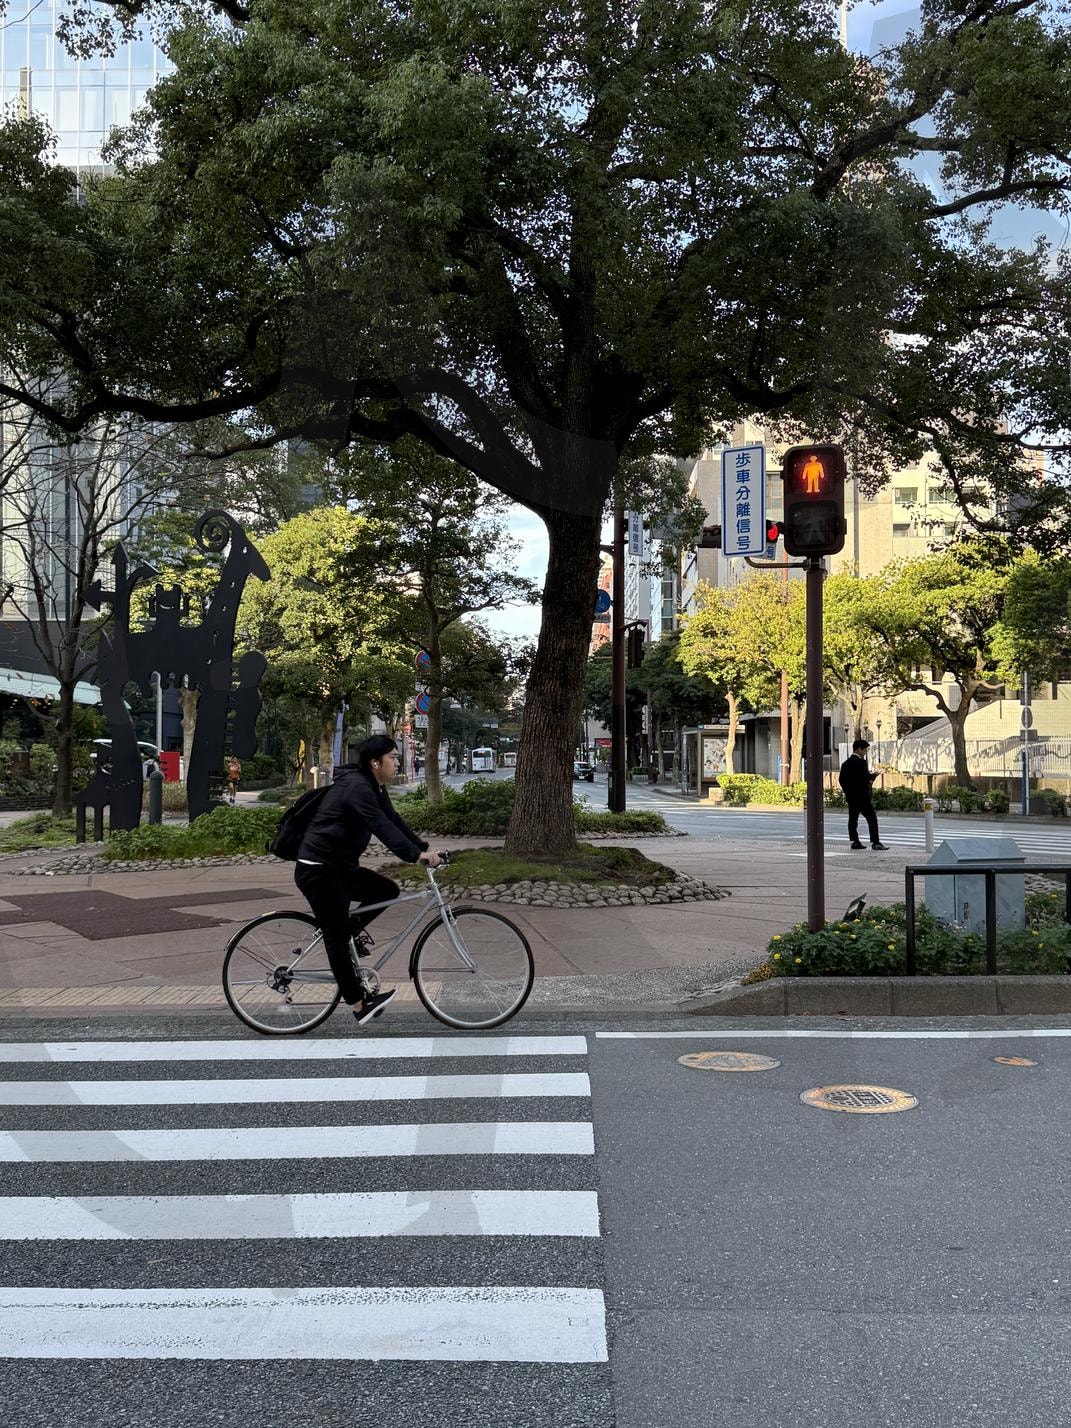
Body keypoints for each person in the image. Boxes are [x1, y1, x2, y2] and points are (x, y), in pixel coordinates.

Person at [294, 734, 443, 1025]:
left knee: (386, 889)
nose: (397, 762)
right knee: (336, 937)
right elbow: (380, 827)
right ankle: (359, 1004)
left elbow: (394, 820)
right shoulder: (358, 788)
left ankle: (346, 931)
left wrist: (423, 848)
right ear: (375, 762)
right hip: (319, 870)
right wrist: (414, 857)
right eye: (393, 757)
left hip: (339, 867)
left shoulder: (374, 786)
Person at [838, 738, 889, 850]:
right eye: (864, 750)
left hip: (851, 797)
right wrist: (874, 775)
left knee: (853, 819)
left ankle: (855, 841)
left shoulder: (845, 764)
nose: (865, 752)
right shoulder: (861, 762)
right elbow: (865, 778)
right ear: (859, 749)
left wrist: (848, 792)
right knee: (872, 818)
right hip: (863, 797)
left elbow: (841, 780)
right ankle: (875, 842)